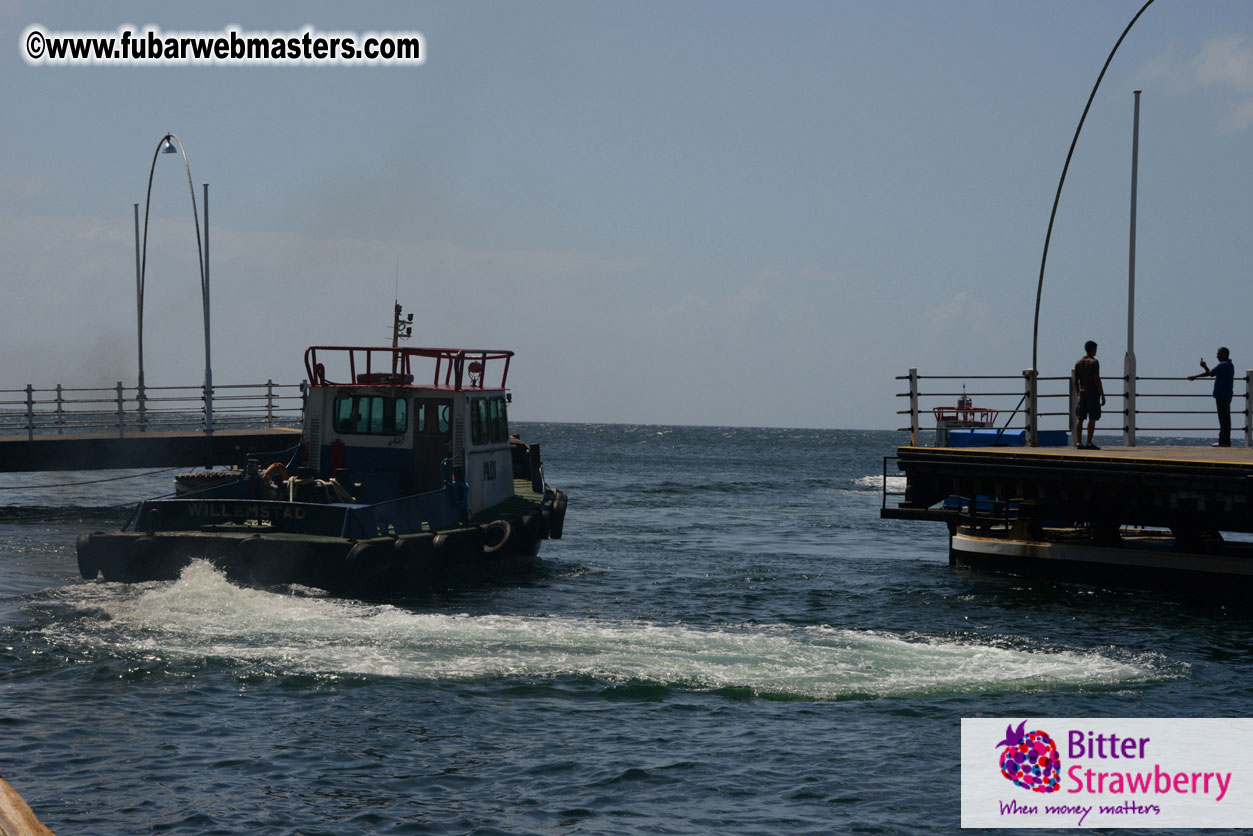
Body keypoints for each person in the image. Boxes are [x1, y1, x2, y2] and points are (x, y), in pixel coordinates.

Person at [1189, 347, 1235, 447]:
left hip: (1222, 395)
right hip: (1227, 395)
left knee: (1223, 419)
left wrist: (1195, 376)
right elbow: (1212, 373)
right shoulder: (1230, 365)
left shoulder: (1223, 365)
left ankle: (1224, 441)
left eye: (1219, 354)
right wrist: (1205, 367)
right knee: (1225, 418)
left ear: (1225, 354)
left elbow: (1210, 373)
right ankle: (1224, 440)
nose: (1217, 356)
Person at [1073, 340, 1105, 450]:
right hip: (1092, 392)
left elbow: (1075, 380)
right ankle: (1089, 442)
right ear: (1093, 349)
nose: (1096, 351)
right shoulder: (1094, 362)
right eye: (1095, 349)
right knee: (1092, 417)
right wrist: (1102, 394)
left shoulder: (1078, 363)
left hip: (1082, 392)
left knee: (1080, 417)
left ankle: (1078, 442)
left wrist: (1078, 391)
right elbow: (1097, 379)